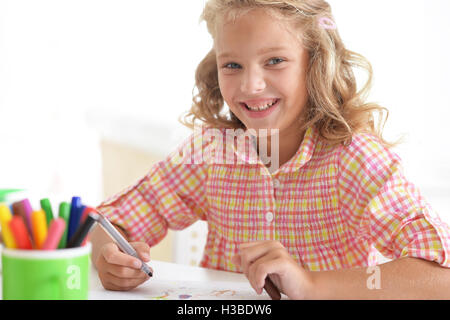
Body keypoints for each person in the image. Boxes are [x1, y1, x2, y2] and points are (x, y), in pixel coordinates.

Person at [91, 0, 450, 299]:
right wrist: (109, 258)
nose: (251, 85)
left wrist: (309, 285)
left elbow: (441, 277)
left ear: (316, 62)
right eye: (232, 65)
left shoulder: (355, 159)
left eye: (274, 61)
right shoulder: (212, 151)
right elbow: (103, 223)